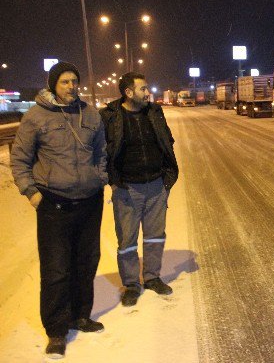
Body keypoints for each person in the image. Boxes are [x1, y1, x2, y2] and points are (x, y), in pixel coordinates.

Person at [11, 62, 108, 358]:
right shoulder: (35, 116)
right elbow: (20, 159)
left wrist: (100, 178)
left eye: (74, 81)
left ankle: (80, 315)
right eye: (65, 81)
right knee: (56, 269)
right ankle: (56, 330)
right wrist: (32, 193)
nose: (71, 86)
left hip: (89, 202)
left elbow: (102, 151)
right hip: (53, 203)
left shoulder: (90, 114)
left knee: (86, 262)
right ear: (53, 84)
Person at [100, 72, 179, 307]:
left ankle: (152, 277)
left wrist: (167, 176)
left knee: (155, 236)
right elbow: (102, 151)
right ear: (128, 92)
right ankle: (132, 284)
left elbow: (167, 141)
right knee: (127, 240)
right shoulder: (110, 117)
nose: (148, 93)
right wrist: (113, 180)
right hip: (127, 189)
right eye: (143, 89)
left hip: (156, 185)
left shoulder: (154, 112)